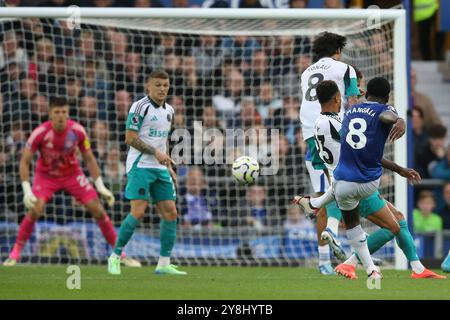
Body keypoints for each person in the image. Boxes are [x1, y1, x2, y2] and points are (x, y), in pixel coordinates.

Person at [294, 80, 444, 279]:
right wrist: (399, 119)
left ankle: (417, 268)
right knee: (393, 226)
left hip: (341, 180)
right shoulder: (343, 119)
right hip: (359, 180)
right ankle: (352, 263)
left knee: (396, 219)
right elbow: (384, 117)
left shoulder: (341, 116)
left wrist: (399, 169)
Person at [2, 97, 140, 267]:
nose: (61, 116)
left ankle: (120, 254)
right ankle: (14, 254)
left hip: (72, 174)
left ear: (68, 113)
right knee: (36, 209)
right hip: (46, 176)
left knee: (97, 208)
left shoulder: (77, 131)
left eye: (64, 112)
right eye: (57, 112)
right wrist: (26, 190)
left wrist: (100, 186)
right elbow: (24, 161)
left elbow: (89, 158)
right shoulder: (40, 132)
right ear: (50, 114)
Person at [107, 70, 186, 276]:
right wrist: (155, 153)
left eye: (165, 85)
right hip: (140, 165)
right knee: (138, 211)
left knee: (171, 212)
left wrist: (167, 164)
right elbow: (130, 138)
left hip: (160, 167)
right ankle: (115, 257)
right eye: (158, 85)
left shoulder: (169, 110)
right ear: (148, 87)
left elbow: (163, 140)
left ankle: (163, 263)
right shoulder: (139, 107)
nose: (162, 89)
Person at [299, 31, 360, 275]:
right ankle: (336, 234)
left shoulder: (306, 72)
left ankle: (324, 261)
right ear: (338, 50)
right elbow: (353, 104)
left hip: (310, 135)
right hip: (335, 131)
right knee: (342, 189)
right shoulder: (346, 69)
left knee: (324, 195)